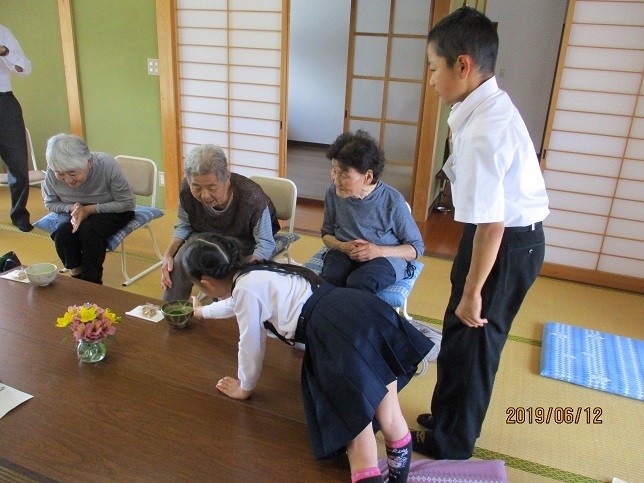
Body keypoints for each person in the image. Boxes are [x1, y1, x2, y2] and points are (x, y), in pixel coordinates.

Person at [411, 7, 550, 460]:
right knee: (459, 333)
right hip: (497, 239)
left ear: (463, 66)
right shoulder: (483, 104)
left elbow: (492, 224)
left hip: (505, 244)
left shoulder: (485, 129)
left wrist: (473, 291)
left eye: (434, 68)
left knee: (473, 341)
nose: (431, 79)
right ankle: (449, 417)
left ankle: (452, 443)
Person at [185, 233, 433, 483]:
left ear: (206, 284)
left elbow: (251, 343)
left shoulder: (245, 289)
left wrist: (244, 386)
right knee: (390, 416)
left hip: (335, 336)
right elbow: (237, 305)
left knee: (359, 438)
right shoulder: (260, 268)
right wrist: (202, 312)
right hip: (361, 310)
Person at [161, 144, 280, 302]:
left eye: (212, 187)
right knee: (176, 263)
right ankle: (173, 313)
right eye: (196, 187)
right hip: (204, 238)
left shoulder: (252, 198)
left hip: (242, 242)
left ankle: (223, 315)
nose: (204, 195)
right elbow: (184, 224)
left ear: (227, 177)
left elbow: (265, 243)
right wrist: (168, 254)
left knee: (224, 271)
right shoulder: (186, 191)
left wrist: (243, 275)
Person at [320, 130, 424, 294]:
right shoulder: (333, 193)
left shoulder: (392, 200)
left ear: (368, 177)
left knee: (359, 283)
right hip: (345, 252)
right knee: (329, 283)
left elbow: (416, 248)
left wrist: (378, 251)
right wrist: (342, 246)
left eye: (344, 175)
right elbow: (326, 234)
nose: (336, 180)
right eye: (334, 170)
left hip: (384, 258)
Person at [43, 134, 136, 284]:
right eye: (60, 174)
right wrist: (71, 207)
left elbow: (127, 203)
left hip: (110, 209)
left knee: (89, 231)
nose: (68, 180)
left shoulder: (107, 165)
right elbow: (50, 203)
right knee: (63, 231)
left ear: (88, 163)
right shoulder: (52, 171)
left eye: (72, 173)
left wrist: (89, 210)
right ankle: (77, 275)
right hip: (72, 209)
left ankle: (92, 283)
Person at [0, 23, 32, 232]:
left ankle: (19, 213)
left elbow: (25, 69)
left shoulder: (3, 33)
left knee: (18, 163)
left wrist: (4, 51)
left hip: (4, 102)